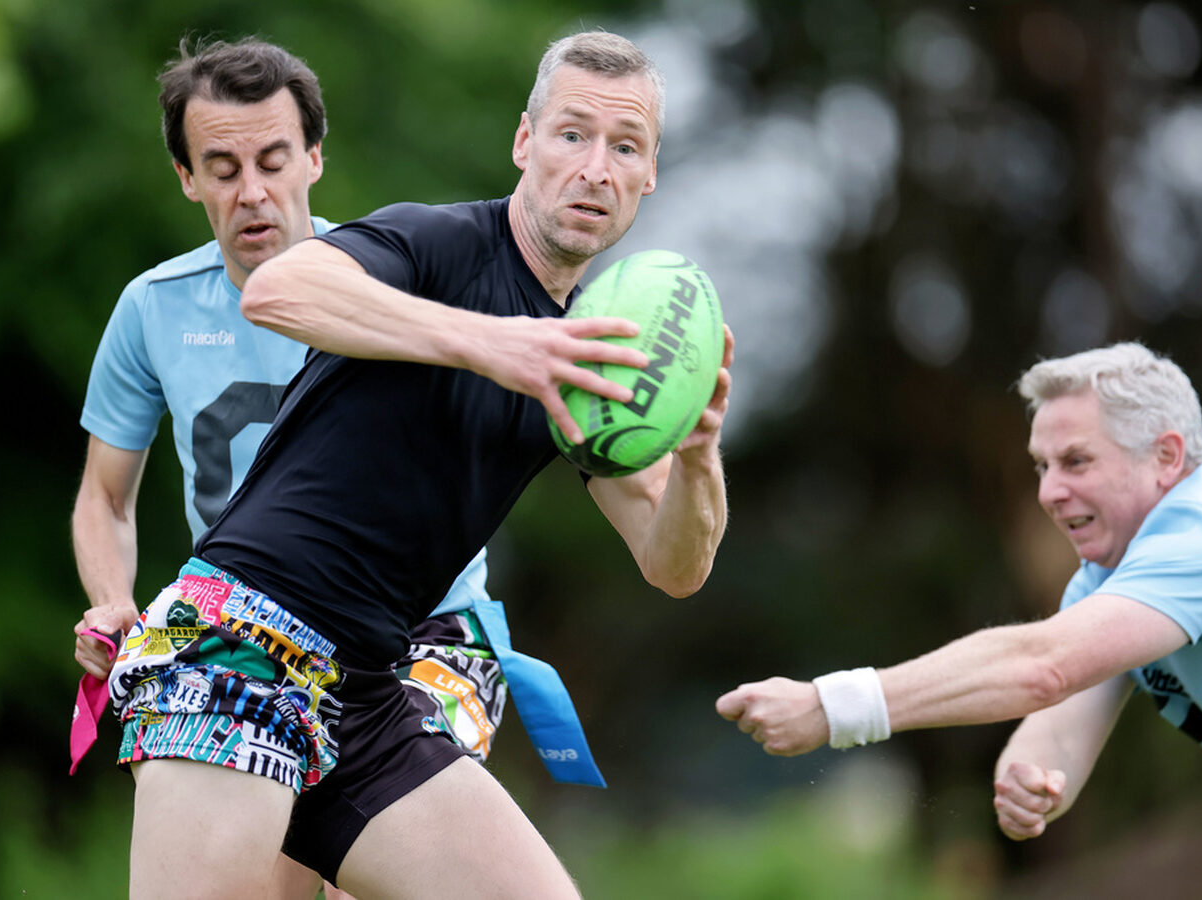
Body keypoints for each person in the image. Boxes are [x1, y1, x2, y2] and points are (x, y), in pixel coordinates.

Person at [80, 29, 732, 898]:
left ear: (648, 175)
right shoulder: (433, 241)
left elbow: (673, 566)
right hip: (237, 648)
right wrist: (493, 343)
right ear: (524, 142)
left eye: (625, 148)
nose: (594, 170)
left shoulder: (580, 366)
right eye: (572, 135)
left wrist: (698, 456)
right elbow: (277, 290)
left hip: (368, 690)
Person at [68, 36, 547, 898]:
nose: (251, 191)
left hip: (428, 631)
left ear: (314, 158)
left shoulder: (394, 273)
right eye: (222, 168)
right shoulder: (151, 310)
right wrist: (112, 600)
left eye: (273, 160)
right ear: (186, 177)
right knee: (277, 870)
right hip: (257, 623)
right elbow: (104, 499)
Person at [717, 342, 1202, 842]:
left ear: (1166, 457)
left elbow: (1045, 666)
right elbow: (1061, 721)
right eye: (1042, 466)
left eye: (1076, 461)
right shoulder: (1110, 574)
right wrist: (1029, 779)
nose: (1048, 493)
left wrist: (832, 707)